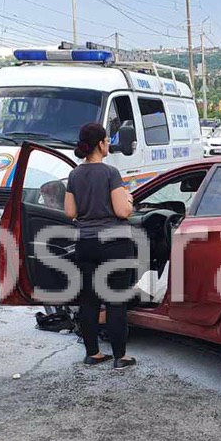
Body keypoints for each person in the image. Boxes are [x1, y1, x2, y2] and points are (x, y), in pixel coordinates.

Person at [64, 123, 138, 368]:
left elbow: (70, 211)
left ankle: (92, 353)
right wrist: (129, 199)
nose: (108, 144)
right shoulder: (110, 173)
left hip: (85, 243)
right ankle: (120, 357)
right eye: (106, 140)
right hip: (114, 244)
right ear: (100, 144)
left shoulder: (74, 174)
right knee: (115, 301)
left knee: (89, 301)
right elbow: (122, 211)